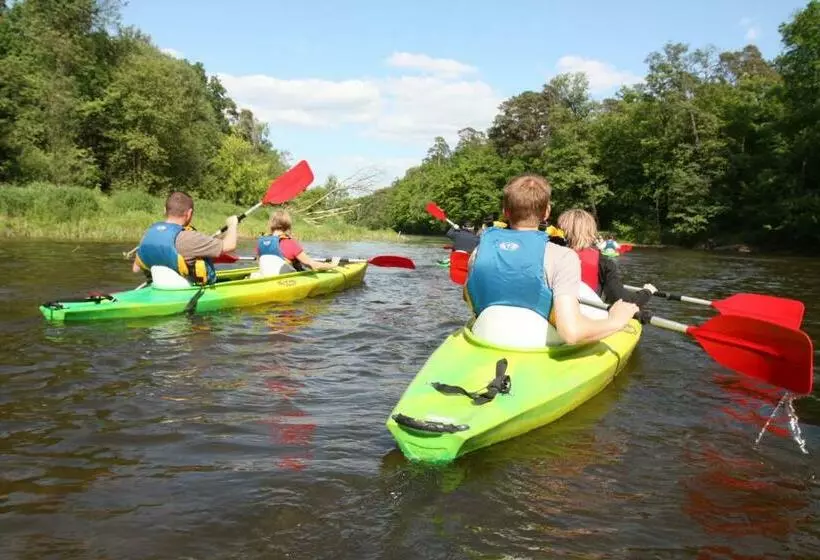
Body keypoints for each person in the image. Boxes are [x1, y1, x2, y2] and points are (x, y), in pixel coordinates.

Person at [464, 174, 639, 348]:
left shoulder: (478, 252)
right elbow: (571, 333)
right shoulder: (563, 257)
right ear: (547, 212)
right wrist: (617, 320)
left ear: (505, 211)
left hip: (485, 336)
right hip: (538, 345)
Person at [133, 191, 238, 287]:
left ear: (164, 210)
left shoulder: (149, 233)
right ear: (189, 213)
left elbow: (136, 268)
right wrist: (232, 224)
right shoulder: (190, 237)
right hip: (185, 290)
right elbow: (230, 245)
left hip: (159, 286)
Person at [557, 209, 656, 307]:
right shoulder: (603, 262)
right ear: (591, 231)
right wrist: (647, 292)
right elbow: (623, 300)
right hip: (586, 314)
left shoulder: (551, 254)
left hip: (558, 310)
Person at [255, 210, 339, 277]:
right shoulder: (290, 244)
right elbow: (313, 265)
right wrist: (332, 265)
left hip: (266, 278)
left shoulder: (261, 242)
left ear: (271, 224)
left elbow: (260, 263)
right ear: (287, 225)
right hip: (285, 281)